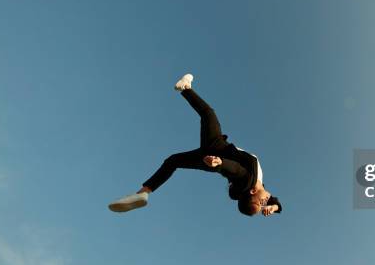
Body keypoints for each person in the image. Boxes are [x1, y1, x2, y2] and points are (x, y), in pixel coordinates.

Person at [108, 73, 282, 217]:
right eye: (265, 203)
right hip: (209, 160)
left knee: (208, 114)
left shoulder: (247, 181)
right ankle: (143, 193)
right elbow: (277, 204)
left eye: (262, 202)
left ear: (252, 193)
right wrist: (272, 208)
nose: (266, 200)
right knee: (173, 160)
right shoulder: (260, 187)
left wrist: (220, 163)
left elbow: (235, 169)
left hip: (216, 150)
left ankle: (185, 88)